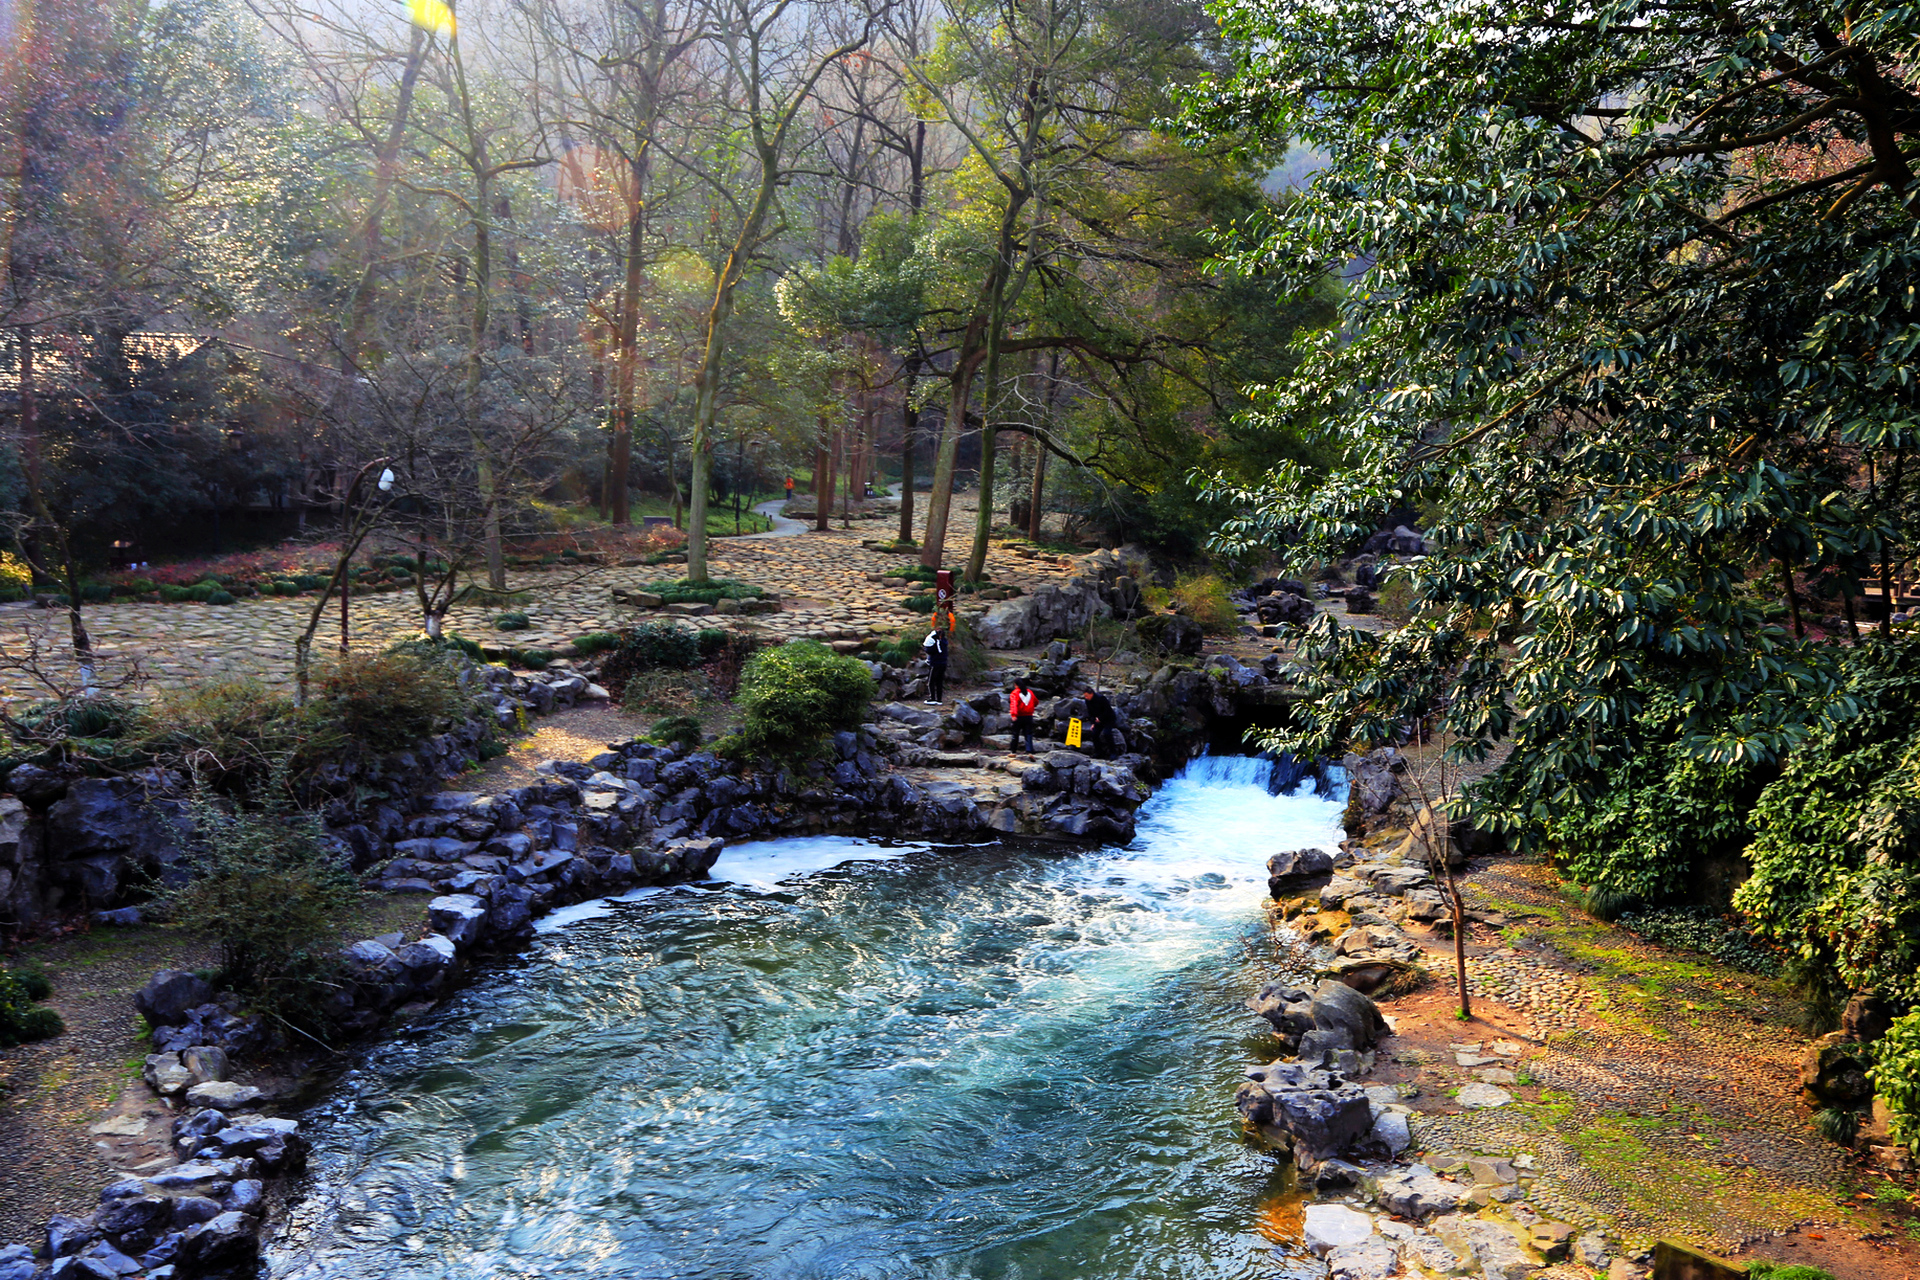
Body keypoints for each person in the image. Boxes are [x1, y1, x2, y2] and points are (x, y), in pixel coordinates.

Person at [1081, 688, 1121, 758]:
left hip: (1108, 719)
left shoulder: (1101, 698)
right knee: (1094, 734)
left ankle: (1113, 752)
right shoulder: (1087, 701)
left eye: (1087, 696)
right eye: (1085, 696)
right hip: (1097, 720)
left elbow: (1108, 710)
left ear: (1091, 694)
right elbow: (1090, 712)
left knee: (1107, 733)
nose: (1086, 697)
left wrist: (1100, 718)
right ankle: (1099, 752)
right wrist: (1093, 722)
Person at [1008, 676, 1038, 754]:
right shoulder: (1030, 692)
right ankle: (1029, 750)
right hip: (1029, 716)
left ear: (1015, 685)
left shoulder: (1015, 693)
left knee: (1015, 733)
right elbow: (1036, 702)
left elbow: (1014, 704)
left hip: (1019, 716)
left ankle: (1013, 750)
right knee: (1028, 733)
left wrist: (1014, 714)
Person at [922, 628, 950, 705]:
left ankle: (933, 698)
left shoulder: (937, 643)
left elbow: (928, 650)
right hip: (943, 664)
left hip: (936, 664)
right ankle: (939, 699)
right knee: (939, 682)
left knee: (931, 682)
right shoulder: (944, 642)